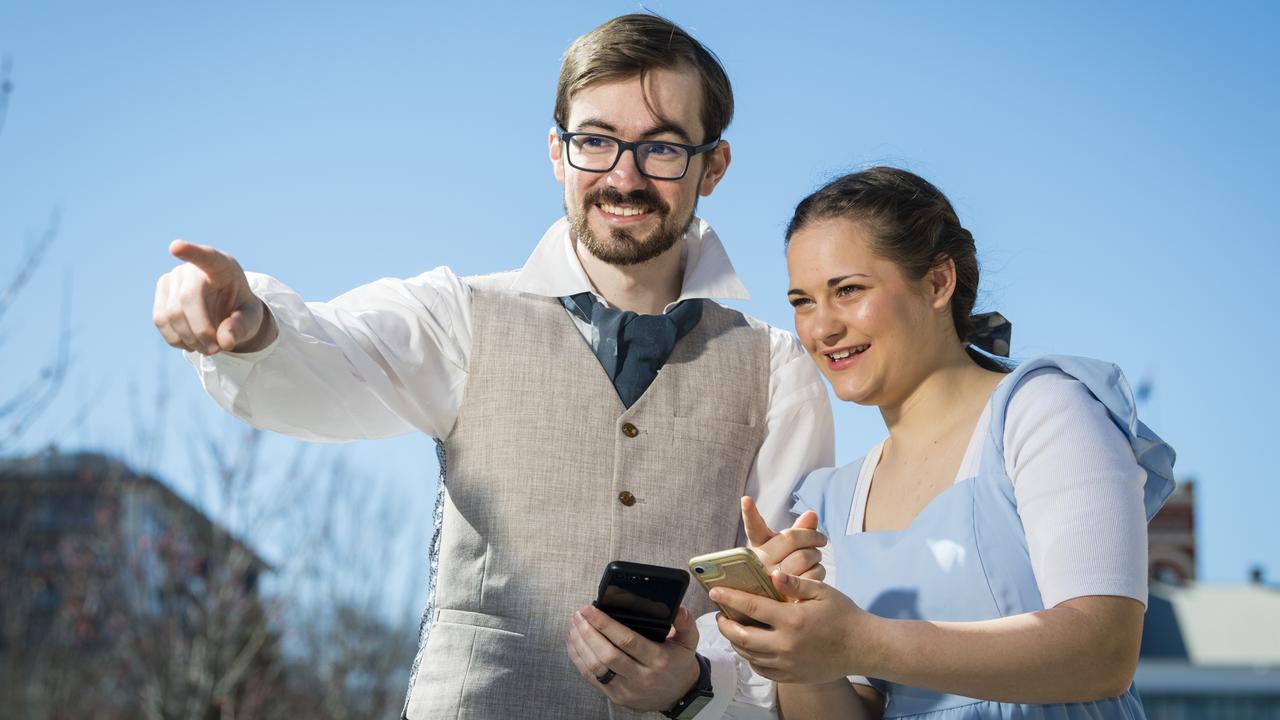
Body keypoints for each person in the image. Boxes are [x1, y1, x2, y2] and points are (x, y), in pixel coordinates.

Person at [150, 13, 835, 720]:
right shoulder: (460, 316)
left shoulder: (777, 370)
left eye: (660, 148)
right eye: (595, 141)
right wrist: (251, 320)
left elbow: (785, 619)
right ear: (555, 152)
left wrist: (694, 682)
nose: (622, 177)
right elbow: (325, 354)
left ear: (712, 166)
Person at [710, 167, 1176, 719]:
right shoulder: (836, 498)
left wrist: (859, 641)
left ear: (937, 283)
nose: (822, 328)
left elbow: (1102, 651)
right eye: (802, 301)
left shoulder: (1044, 412)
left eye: (849, 290)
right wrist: (796, 643)